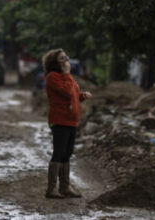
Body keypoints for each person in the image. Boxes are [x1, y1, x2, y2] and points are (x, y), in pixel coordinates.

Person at [43, 48, 92, 198]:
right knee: (59, 152)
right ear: (55, 62)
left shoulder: (66, 77)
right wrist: (67, 74)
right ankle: (51, 189)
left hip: (71, 120)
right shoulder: (53, 77)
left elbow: (72, 95)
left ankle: (65, 187)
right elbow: (65, 92)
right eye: (62, 58)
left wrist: (82, 96)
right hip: (60, 119)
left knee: (68, 153)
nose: (66, 61)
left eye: (66, 57)